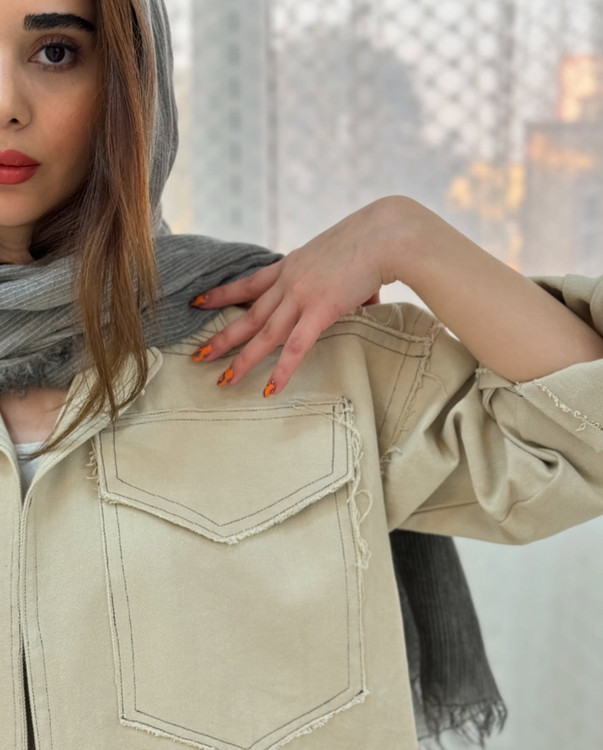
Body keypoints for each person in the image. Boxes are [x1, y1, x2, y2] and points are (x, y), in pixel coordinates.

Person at [1, 2, 603, 750]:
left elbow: (581, 437)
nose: (7, 104)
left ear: (129, 81)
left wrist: (404, 235)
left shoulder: (283, 341)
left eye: (56, 52)